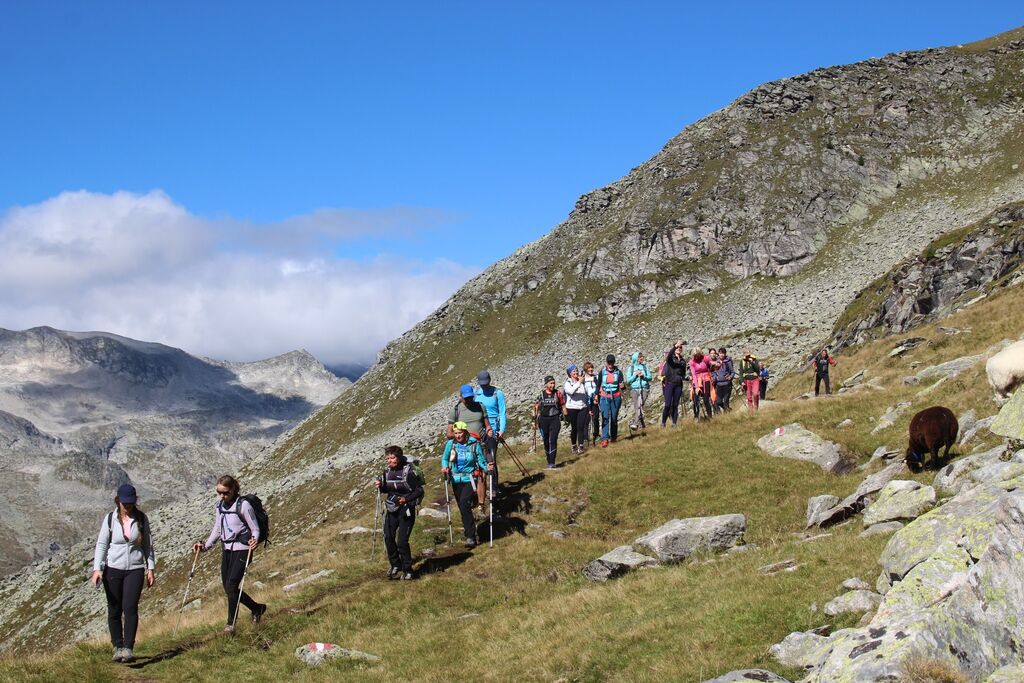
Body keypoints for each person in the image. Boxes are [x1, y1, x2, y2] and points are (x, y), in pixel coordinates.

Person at [192, 475, 266, 634]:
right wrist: (205, 546)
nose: (222, 496)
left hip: (243, 548)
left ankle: (230, 625)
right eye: (219, 492)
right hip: (226, 549)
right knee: (228, 588)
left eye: (225, 493)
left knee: (231, 585)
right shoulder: (219, 506)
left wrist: (254, 540)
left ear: (233, 490)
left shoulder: (244, 505)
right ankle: (256, 608)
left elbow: (255, 528)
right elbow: (217, 529)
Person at [91, 484, 155, 664]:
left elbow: (148, 545)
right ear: (118, 501)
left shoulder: (141, 518)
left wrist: (150, 568)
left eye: (130, 503)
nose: (127, 506)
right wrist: (97, 569)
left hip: (135, 569)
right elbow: (102, 544)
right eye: (124, 503)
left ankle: (128, 647)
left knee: (130, 607)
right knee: (114, 608)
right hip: (113, 569)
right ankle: (117, 646)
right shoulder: (110, 519)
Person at [375, 445, 424, 580]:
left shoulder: (408, 472)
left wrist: (405, 499)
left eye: (392, 458)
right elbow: (387, 489)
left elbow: (419, 490)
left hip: (406, 509)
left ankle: (408, 570)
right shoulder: (387, 472)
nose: (389, 461)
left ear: (399, 457)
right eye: (388, 458)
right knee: (388, 537)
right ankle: (395, 565)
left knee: (402, 541)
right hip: (392, 508)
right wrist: (381, 486)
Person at [442, 422, 492, 548]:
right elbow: (445, 458)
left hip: (470, 479)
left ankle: (470, 537)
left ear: (465, 432)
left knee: (464, 504)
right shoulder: (451, 444)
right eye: (456, 433)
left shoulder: (474, 444)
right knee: (463, 508)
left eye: (460, 433)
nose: (458, 435)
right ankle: (470, 531)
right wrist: (445, 467)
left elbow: (480, 460)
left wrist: (487, 468)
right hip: (455, 479)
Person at [474, 371, 507, 486]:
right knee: (477, 458)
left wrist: (501, 430)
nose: (484, 385)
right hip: (478, 428)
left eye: (486, 383)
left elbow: (502, 413)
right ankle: (481, 486)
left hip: (493, 429)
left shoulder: (497, 393)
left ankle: (494, 487)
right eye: (482, 383)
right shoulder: (476, 392)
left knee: (491, 458)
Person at [534, 376, 566, 468]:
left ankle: (552, 462)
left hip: (555, 419)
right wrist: (533, 421)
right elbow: (535, 408)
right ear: (546, 384)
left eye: (553, 383)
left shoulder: (558, 393)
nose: (553, 385)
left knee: (553, 440)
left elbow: (563, 405)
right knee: (546, 441)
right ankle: (549, 460)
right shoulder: (541, 395)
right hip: (543, 420)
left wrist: (566, 416)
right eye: (551, 383)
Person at [598, 354, 625, 446]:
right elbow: (598, 385)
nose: (610, 364)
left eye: (612, 362)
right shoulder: (602, 372)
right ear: (606, 362)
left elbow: (622, 386)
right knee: (605, 417)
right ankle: (605, 438)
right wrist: (596, 396)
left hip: (616, 397)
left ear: (614, 362)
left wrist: (623, 386)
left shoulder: (619, 372)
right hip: (604, 397)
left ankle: (613, 437)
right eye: (609, 362)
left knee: (614, 418)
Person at [563, 365, 590, 455]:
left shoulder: (582, 382)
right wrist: (579, 382)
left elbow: (585, 392)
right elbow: (570, 391)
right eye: (574, 371)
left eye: (577, 370)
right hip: (572, 408)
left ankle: (581, 446)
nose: (576, 372)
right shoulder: (568, 383)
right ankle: (574, 445)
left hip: (582, 407)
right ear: (570, 373)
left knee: (580, 427)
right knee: (574, 428)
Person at [661, 341, 687, 427]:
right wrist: (675, 346)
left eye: (680, 347)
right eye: (677, 347)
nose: (679, 349)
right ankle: (663, 422)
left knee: (675, 405)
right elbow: (669, 354)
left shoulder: (683, 361)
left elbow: (683, 374)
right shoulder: (670, 358)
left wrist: (686, 378)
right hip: (669, 383)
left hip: (678, 385)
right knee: (668, 405)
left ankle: (674, 423)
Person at [626, 352, 652, 432]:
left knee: (640, 405)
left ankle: (635, 423)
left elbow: (650, 377)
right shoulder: (631, 368)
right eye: (640, 357)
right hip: (634, 389)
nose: (642, 358)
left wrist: (643, 376)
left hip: (644, 389)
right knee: (637, 407)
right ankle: (641, 426)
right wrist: (635, 375)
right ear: (636, 358)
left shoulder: (645, 367)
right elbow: (628, 381)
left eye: (642, 356)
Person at [690, 349, 713, 421]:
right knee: (696, 399)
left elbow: (711, 365)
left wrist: (715, 364)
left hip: (706, 380)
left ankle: (710, 417)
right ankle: (696, 417)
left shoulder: (705, 358)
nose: (696, 357)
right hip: (697, 380)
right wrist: (697, 387)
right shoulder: (692, 362)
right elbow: (693, 374)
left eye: (698, 355)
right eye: (695, 356)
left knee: (706, 399)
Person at [582, 362, 600, 446]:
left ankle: (596, 434)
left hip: (595, 399)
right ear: (585, 370)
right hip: (586, 400)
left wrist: (597, 395)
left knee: (595, 418)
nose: (591, 369)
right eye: (589, 368)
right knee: (586, 420)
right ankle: (585, 437)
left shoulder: (596, 377)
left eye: (591, 368)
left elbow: (598, 387)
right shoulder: (583, 379)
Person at [713, 347, 735, 413]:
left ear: (725, 354)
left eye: (723, 353)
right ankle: (728, 410)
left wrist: (730, 377)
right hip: (718, 385)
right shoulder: (716, 362)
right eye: (720, 353)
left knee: (726, 401)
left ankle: (727, 416)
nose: (721, 355)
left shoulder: (728, 361)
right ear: (718, 354)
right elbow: (714, 372)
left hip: (727, 384)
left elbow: (732, 372)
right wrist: (715, 378)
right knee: (718, 401)